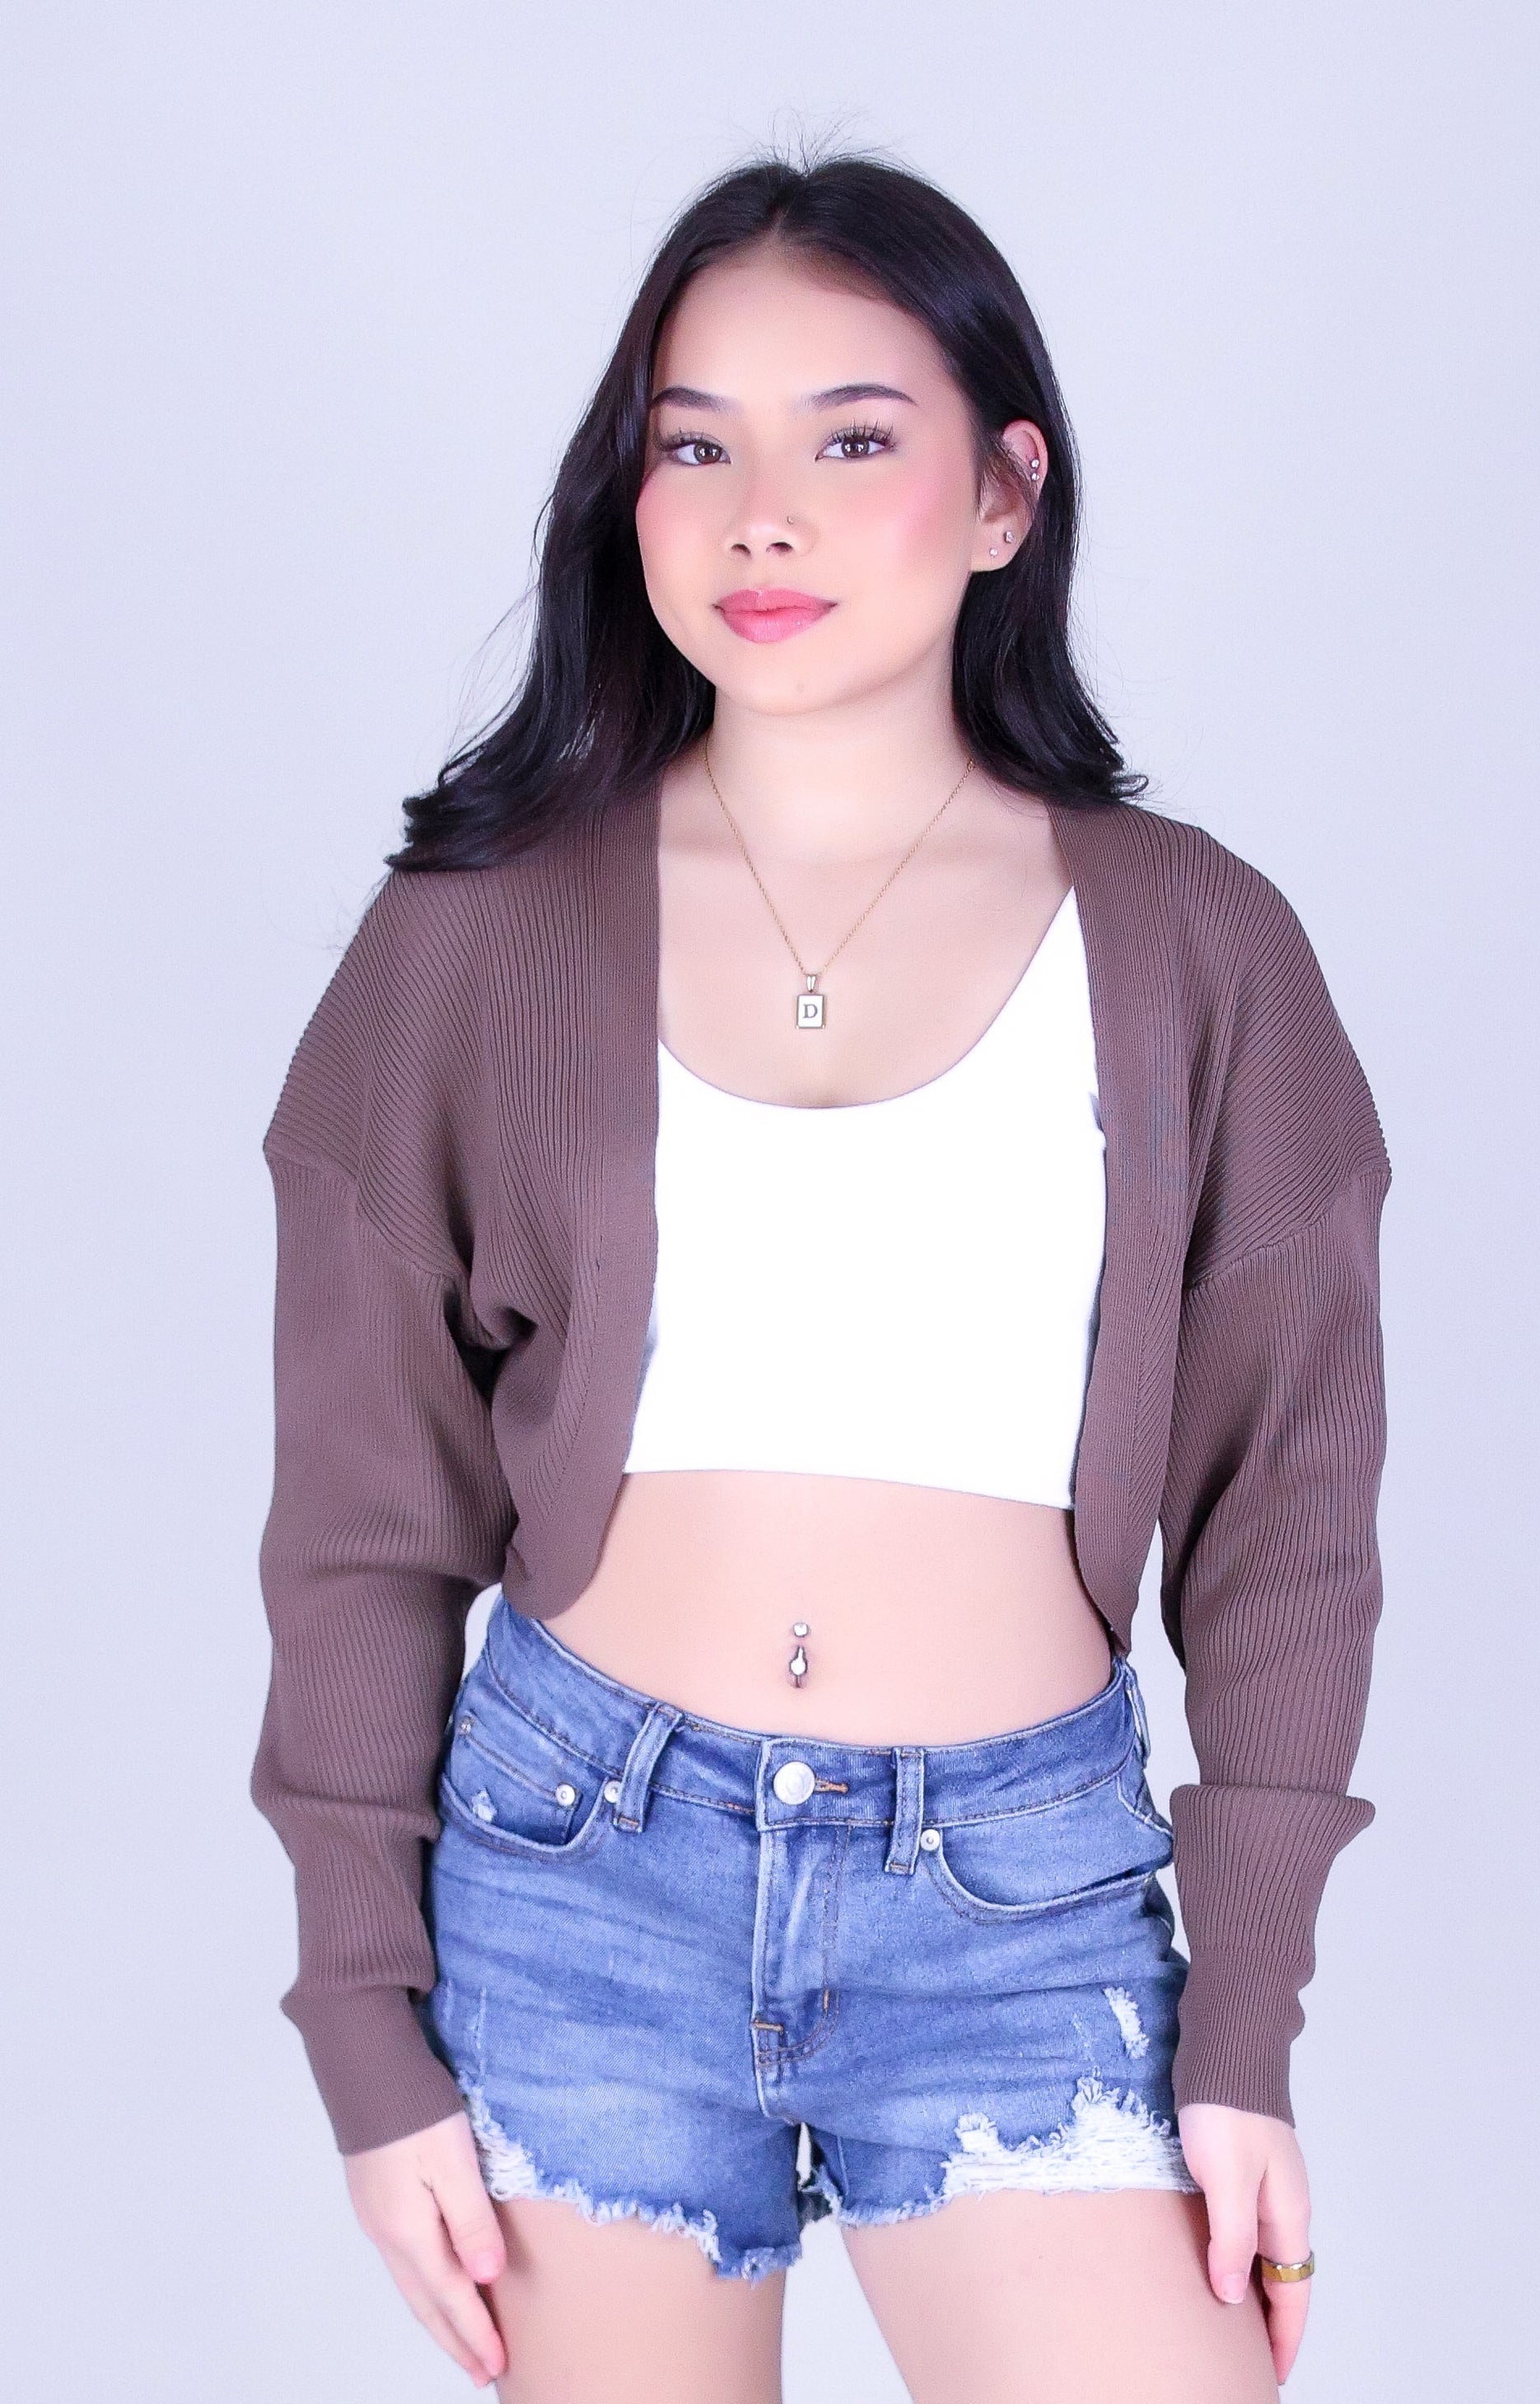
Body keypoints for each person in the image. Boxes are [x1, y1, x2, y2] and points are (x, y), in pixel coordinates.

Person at [252, 154, 1390, 2402]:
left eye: (851, 440)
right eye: (695, 448)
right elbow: (363, 1523)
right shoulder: (472, 939)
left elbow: (1290, 1523)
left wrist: (1246, 2021)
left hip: (1017, 1898)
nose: (759, 518)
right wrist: (364, 2029)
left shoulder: (1198, 947)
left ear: (1004, 493)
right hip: (580, 1874)